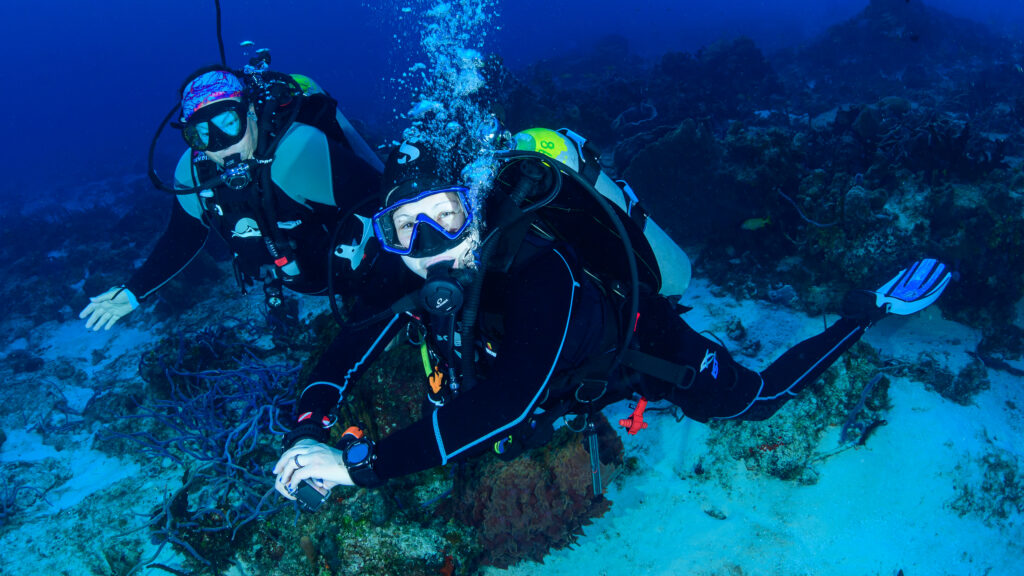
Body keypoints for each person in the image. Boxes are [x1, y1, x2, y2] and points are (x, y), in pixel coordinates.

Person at [272, 128, 953, 497]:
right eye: (403, 229)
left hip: (636, 348)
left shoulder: (543, 273)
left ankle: (869, 310)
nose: (426, 248)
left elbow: (508, 404)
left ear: (474, 207)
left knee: (756, 402)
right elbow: (348, 346)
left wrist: (362, 467)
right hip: (553, 378)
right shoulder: (412, 265)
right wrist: (310, 424)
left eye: (445, 218)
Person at [78, 65, 400, 331]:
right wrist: (135, 291)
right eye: (201, 134)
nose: (219, 144)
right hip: (302, 275)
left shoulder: (299, 153)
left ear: (249, 113)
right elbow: (181, 238)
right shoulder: (193, 174)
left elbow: (391, 207)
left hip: (365, 269)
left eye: (228, 124)